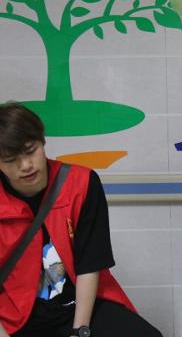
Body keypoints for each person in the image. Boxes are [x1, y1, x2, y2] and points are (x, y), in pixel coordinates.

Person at [0, 102, 162, 337]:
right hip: (15, 316)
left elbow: (89, 264)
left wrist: (79, 331)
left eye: (30, 151)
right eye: (10, 160)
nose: (25, 165)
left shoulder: (81, 183)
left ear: (43, 141)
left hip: (79, 304)